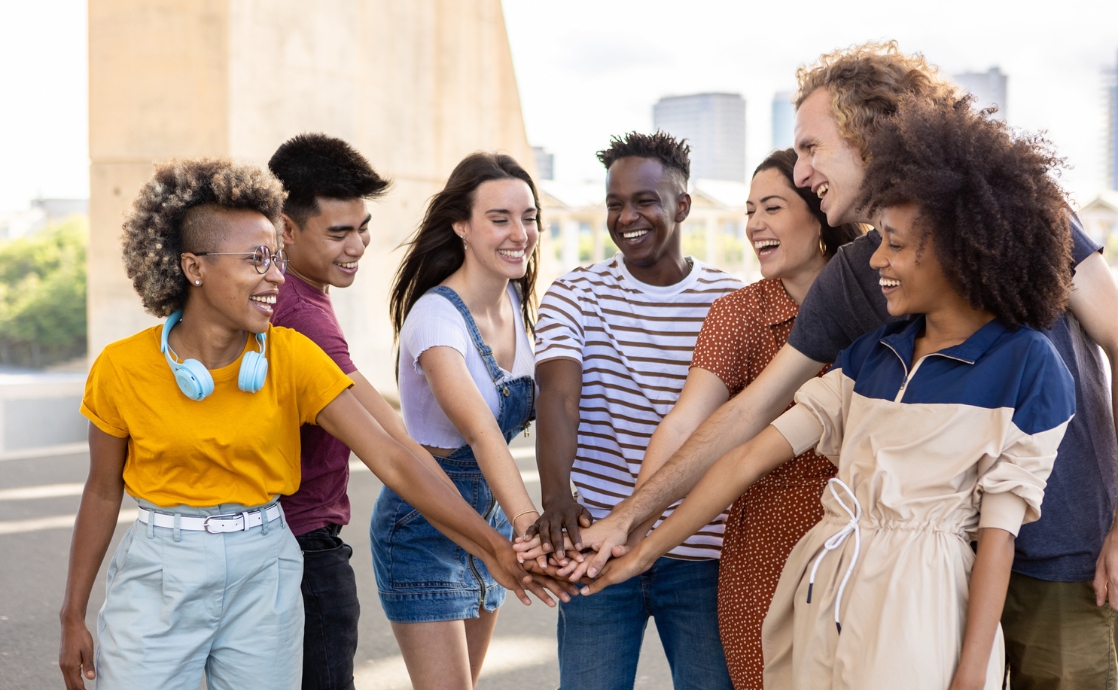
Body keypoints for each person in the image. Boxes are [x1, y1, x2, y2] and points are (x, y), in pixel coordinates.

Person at [570, 43, 1118, 689]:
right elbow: (750, 414)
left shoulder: (1018, 208)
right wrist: (631, 522)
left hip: (1063, 554)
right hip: (934, 579)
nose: (800, 173)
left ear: (871, 136)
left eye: (810, 147)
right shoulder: (857, 284)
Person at [57, 158, 557, 690]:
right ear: (194, 267)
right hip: (159, 569)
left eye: (275, 257)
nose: (276, 275)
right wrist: (72, 614)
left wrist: (494, 547)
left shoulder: (292, 356)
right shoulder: (120, 367)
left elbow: (394, 458)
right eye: (255, 260)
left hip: (265, 566)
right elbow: (103, 492)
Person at [525, 131, 742, 690]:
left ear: (682, 206)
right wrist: (555, 494)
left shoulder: (730, 301)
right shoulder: (574, 293)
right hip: (596, 543)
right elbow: (558, 396)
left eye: (645, 201)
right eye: (615, 204)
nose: (627, 217)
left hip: (701, 551)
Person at [653, 149, 860, 688]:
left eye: (771, 207)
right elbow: (686, 421)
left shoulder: (880, 300)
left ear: (821, 213)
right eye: (749, 212)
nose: (754, 226)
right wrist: (636, 516)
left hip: (860, 540)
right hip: (761, 553)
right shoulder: (738, 313)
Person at [371, 152, 559, 690]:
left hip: (491, 515)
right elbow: (480, 433)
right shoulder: (435, 318)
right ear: (461, 226)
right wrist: (531, 526)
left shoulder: (519, 307)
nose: (520, 233)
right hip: (423, 522)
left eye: (529, 217)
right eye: (499, 219)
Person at [267, 133, 398, 690]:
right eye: (339, 233)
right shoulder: (300, 312)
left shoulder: (288, 294)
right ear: (286, 228)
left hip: (282, 539)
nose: (358, 246)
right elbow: (383, 439)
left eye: (363, 227)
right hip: (303, 548)